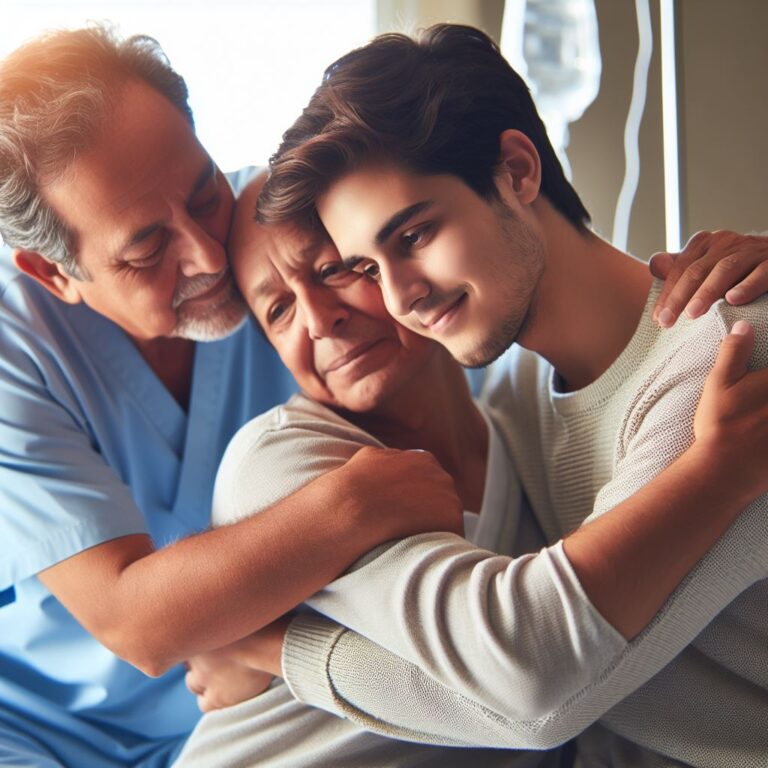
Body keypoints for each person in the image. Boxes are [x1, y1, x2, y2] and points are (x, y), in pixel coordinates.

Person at [255, 24, 768, 767]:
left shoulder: (727, 359)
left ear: (518, 171)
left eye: (415, 234)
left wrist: (272, 647)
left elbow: (532, 678)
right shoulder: (518, 400)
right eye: (366, 266)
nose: (401, 297)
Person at [0, 26, 464, 767]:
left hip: (258, 706)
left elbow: (478, 315)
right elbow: (137, 624)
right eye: (149, 248)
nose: (210, 256)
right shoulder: (12, 351)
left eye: (204, 192)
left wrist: (667, 294)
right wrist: (360, 500)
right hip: (42, 735)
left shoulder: (275, 236)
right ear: (54, 274)